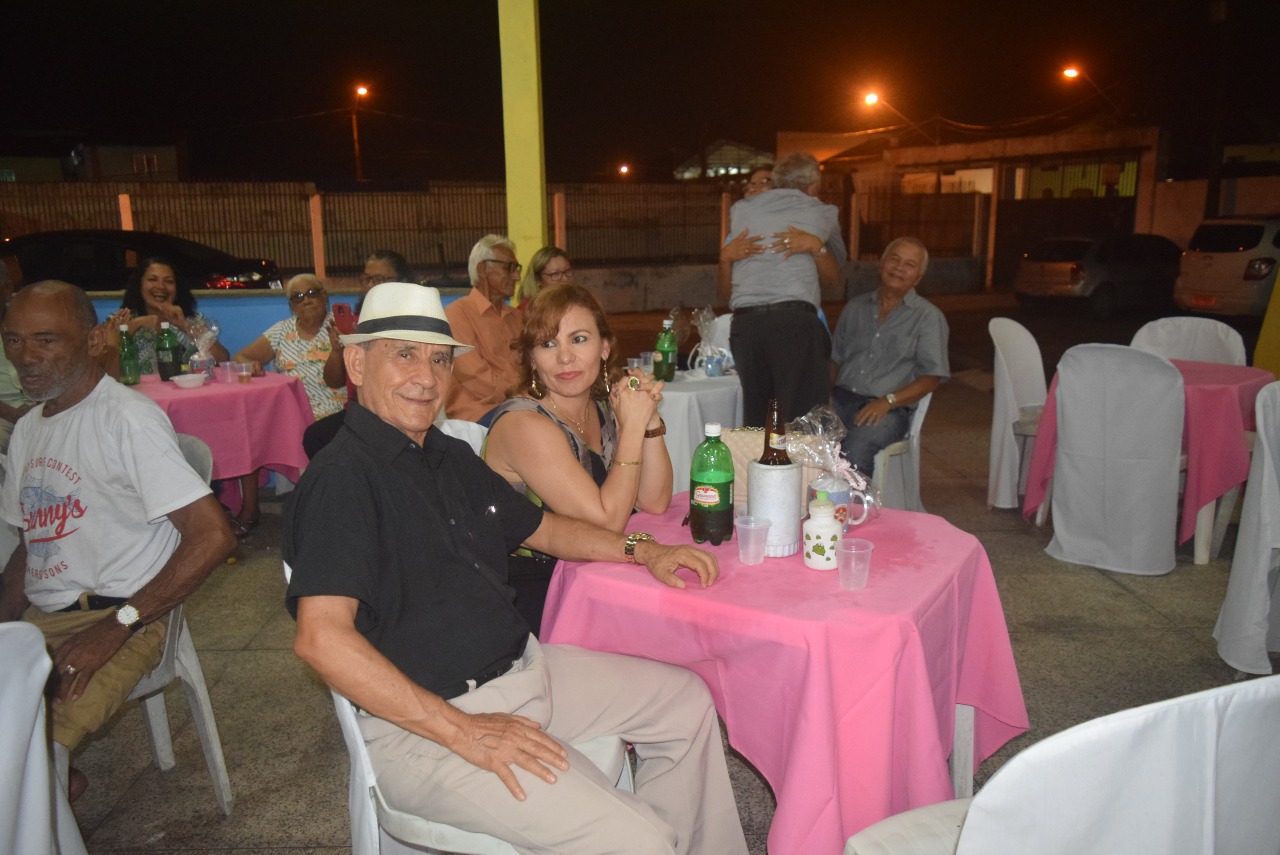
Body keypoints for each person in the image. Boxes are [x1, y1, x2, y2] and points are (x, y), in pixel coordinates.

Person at [284, 281, 747, 854]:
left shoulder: (445, 454)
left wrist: (643, 550)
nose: (426, 377)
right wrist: (463, 731)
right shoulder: (342, 480)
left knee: (685, 702)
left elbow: (544, 529)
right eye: (404, 355)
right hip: (428, 726)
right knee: (642, 842)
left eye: (439, 359)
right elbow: (321, 640)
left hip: (520, 672)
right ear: (357, 364)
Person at [0, 280, 235, 802]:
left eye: (45, 340)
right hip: (45, 619)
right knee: (14, 747)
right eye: (13, 340)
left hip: (124, 618)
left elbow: (212, 536)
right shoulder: (29, 430)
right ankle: (59, 789)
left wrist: (117, 626)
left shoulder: (127, 419)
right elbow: (30, 545)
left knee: (22, 765)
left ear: (91, 341)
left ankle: (52, 791)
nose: (25, 357)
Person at [483, 284, 672, 632]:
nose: (565, 358)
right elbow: (606, 525)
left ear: (605, 347)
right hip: (536, 597)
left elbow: (654, 501)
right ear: (531, 359)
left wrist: (649, 419)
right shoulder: (523, 425)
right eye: (548, 344)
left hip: (599, 574)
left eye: (579, 339)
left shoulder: (600, 407)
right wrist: (631, 428)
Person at [721, 153, 847, 426]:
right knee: (801, 422)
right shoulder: (823, 212)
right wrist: (816, 246)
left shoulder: (740, 210)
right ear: (814, 185)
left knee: (758, 421)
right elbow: (836, 280)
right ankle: (795, 457)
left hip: (747, 327)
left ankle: (759, 455)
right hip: (794, 326)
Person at [229, 274, 347, 535]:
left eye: (312, 293)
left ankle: (323, 511)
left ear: (325, 297)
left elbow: (336, 381)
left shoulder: (339, 328)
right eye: (298, 297)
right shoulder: (282, 331)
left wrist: (337, 350)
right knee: (249, 429)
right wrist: (251, 364)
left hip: (331, 409)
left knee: (322, 434)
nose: (306, 301)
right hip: (286, 412)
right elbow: (240, 356)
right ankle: (250, 509)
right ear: (292, 306)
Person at [829, 237, 950, 475]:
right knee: (803, 438)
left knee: (854, 449)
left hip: (889, 408)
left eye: (909, 264)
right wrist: (825, 395)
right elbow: (835, 360)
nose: (899, 268)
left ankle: (855, 500)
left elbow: (931, 378)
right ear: (881, 264)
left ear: (918, 277)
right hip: (841, 399)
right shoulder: (855, 308)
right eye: (894, 259)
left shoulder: (927, 317)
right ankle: (814, 499)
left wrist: (888, 401)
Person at [444, 234, 523, 422]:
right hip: (479, 414)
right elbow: (474, 377)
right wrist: (524, 391)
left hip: (520, 405)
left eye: (516, 269)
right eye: (509, 268)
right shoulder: (457, 314)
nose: (517, 276)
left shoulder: (517, 317)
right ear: (483, 269)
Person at [106, 256, 230, 369]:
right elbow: (105, 367)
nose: (161, 287)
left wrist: (186, 325)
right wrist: (135, 325)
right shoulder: (120, 321)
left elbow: (222, 360)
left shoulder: (194, 320)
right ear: (139, 285)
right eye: (152, 279)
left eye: (169, 281)